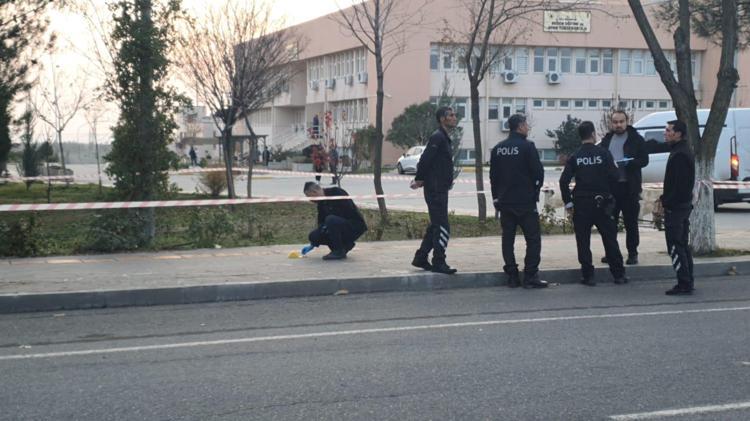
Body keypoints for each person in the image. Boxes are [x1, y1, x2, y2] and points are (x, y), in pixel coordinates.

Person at [559, 121, 628, 286]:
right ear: (593, 134)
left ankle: (588, 276)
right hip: (602, 203)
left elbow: (563, 181)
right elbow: (615, 176)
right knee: (610, 239)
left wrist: (569, 203)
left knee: (583, 240)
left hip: (581, 204)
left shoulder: (575, 156)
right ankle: (618, 274)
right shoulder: (604, 153)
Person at [489, 114, 547, 289]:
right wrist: (535, 191)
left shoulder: (498, 148)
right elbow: (538, 173)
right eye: (526, 125)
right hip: (525, 202)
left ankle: (512, 276)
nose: (527, 128)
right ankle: (530, 275)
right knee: (533, 239)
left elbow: (493, 177)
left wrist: (496, 197)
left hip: (505, 201)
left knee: (508, 239)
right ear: (520, 126)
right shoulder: (528, 146)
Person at [410, 106, 458, 275]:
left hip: (440, 188)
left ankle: (421, 257)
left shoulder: (443, 137)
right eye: (451, 115)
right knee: (443, 226)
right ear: (442, 119)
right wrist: (419, 179)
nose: (454, 117)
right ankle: (439, 261)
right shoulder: (438, 137)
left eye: (454, 115)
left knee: (436, 225)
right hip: (435, 190)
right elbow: (425, 159)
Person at [599, 111, 649, 265]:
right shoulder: (607, 140)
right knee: (609, 224)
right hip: (612, 189)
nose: (618, 125)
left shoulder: (636, 139)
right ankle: (611, 253)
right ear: (611, 123)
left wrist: (631, 163)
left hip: (629, 188)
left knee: (631, 223)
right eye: (615, 122)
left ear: (627, 122)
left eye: (621, 122)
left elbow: (644, 160)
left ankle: (632, 253)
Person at [656, 119, 695, 295]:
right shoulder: (680, 151)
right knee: (682, 244)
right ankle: (688, 280)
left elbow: (680, 186)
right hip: (682, 206)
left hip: (677, 208)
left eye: (668, 130)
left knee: (675, 245)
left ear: (678, 133)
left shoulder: (680, 155)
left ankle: (683, 283)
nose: (665, 133)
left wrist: (666, 203)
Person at [303, 182, 368, 260]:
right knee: (314, 236)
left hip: (354, 226)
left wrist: (328, 223)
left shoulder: (337, 192)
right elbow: (321, 222)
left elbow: (348, 211)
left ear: (315, 192)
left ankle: (338, 251)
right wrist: (314, 243)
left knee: (331, 220)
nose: (310, 200)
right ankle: (344, 246)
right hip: (336, 225)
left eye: (310, 197)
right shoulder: (321, 203)